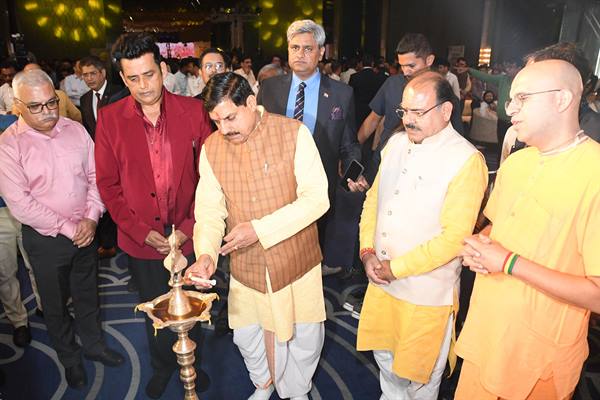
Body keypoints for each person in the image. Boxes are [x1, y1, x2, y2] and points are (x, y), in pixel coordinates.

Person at [456, 59, 600, 400]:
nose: (510, 109)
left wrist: (507, 262)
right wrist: (479, 246)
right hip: (486, 334)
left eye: (522, 98)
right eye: (511, 100)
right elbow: (497, 226)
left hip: (537, 358)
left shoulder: (594, 171)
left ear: (562, 99)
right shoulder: (518, 162)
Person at [186, 71, 329, 400]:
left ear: (251, 102)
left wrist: (260, 230)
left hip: (295, 260)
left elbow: (317, 199)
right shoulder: (212, 147)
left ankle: (298, 390)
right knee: (247, 335)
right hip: (246, 265)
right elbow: (209, 210)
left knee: (304, 334)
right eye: (216, 121)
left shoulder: (293, 133)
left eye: (230, 118)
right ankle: (263, 383)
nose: (224, 129)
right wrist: (206, 254)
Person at [94, 32, 213, 399]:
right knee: (155, 310)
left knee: (192, 305)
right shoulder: (109, 118)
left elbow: (209, 178)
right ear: (122, 77)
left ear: (162, 69)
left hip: (188, 232)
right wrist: (139, 231)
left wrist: (189, 228)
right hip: (141, 239)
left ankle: (194, 363)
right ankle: (163, 366)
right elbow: (108, 184)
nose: (143, 86)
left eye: (149, 75)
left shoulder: (193, 111)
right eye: (133, 78)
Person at [356, 72, 487, 400]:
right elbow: (374, 200)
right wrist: (367, 251)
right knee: (385, 359)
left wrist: (396, 268)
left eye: (418, 112)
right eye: (404, 111)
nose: (408, 120)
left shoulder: (466, 159)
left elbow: (454, 238)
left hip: (426, 292)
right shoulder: (396, 143)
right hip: (382, 280)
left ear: (446, 111)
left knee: (421, 375)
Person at [0, 69, 124, 389]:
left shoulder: (76, 130)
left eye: (52, 102)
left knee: (88, 294)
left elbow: (97, 177)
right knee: (54, 305)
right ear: (17, 106)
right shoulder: (9, 145)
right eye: (36, 106)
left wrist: (92, 218)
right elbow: (21, 204)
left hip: (87, 229)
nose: (48, 111)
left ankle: (94, 346)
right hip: (46, 239)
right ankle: (70, 359)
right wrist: (71, 228)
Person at [257, 19, 361, 276]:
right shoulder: (269, 89)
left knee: (313, 252)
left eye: (307, 48)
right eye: (295, 48)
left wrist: (354, 173)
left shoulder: (341, 94)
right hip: (275, 186)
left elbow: (348, 143)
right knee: (279, 253)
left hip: (319, 186)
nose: (300, 54)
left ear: (321, 52)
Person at [17, 63, 82, 123]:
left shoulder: (61, 95)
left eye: (52, 102)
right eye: (34, 106)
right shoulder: (20, 101)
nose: (46, 111)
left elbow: (77, 117)